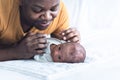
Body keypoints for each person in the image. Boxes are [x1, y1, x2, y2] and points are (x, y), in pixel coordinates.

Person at [0, 0, 80, 61]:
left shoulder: (60, 11)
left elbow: (59, 45)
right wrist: (15, 52)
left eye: (53, 9)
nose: (47, 17)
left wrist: (70, 40)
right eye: (37, 10)